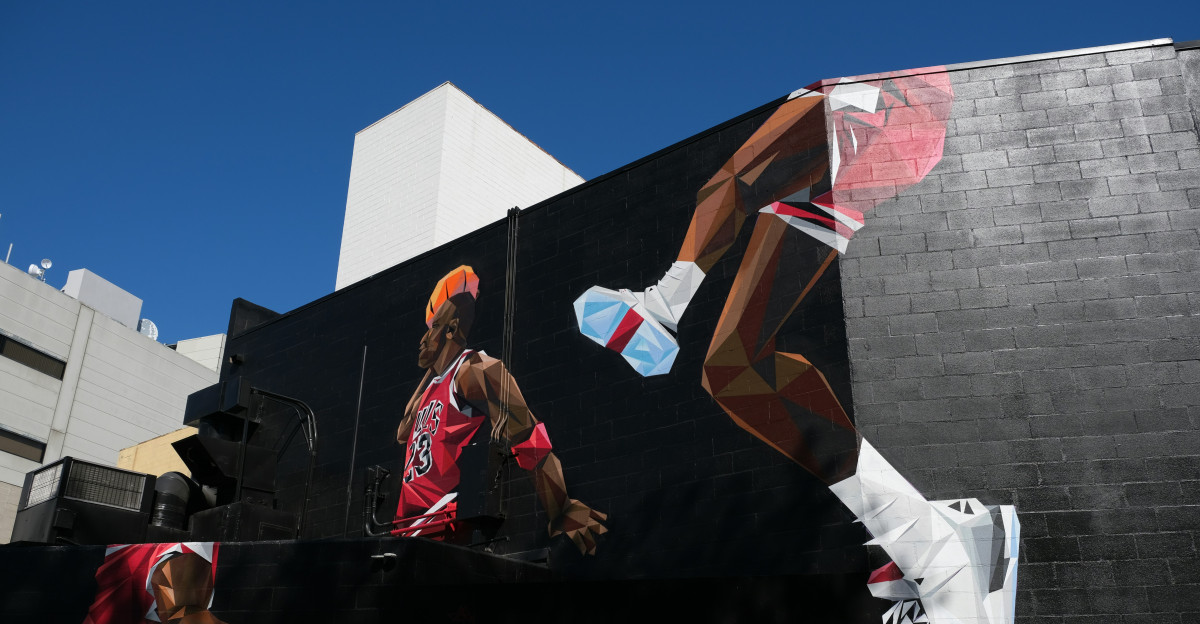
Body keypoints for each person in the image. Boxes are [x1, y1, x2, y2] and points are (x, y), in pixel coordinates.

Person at [575, 70, 1019, 624]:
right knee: (736, 368)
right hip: (888, 137)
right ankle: (923, 534)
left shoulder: (849, 97)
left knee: (735, 180)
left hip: (890, 103)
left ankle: (663, 303)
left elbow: (737, 182)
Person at [396, 265, 606, 555]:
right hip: (406, 529)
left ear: (452, 329)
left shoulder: (476, 370)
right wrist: (434, 363)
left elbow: (527, 435)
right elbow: (402, 432)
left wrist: (560, 507)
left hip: (442, 526)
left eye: (432, 328)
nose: (422, 338)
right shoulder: (432, 385)